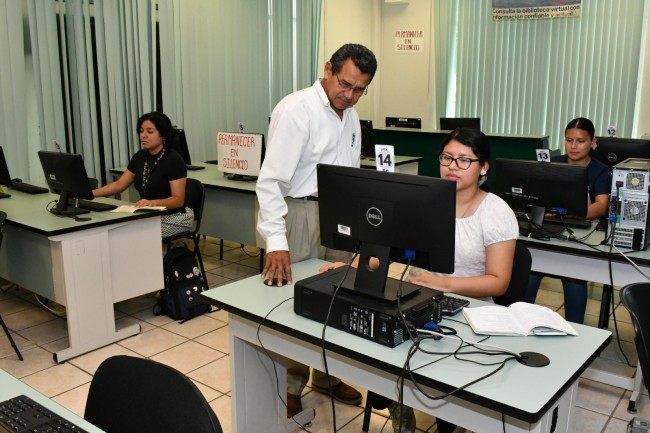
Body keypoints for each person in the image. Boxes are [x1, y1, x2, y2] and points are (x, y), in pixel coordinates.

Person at [321, 127, 519, 433]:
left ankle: (452, 420)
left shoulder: (496, 212)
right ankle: (399, 404)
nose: (453, 166)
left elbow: (498, 282)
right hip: (415, 298)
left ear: (484, 167)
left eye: (464, 160)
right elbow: (382, 248)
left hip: (468, 309)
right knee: (372, 338)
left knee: (444, 375)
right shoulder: (417, 199)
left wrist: (445, 284)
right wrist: (349, 267)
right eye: (447, 157)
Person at [255, 43, 378, 418]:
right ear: (328, 69)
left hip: (337, 217)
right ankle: (291, 384)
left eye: (360, 90)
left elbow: (349, 174)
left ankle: (326, 376)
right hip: (299, 214)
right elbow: (270, 182)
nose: (350, 95)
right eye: (345, 84)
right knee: (295, 304)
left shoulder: (350, 116)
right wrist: (276, 242)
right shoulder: (296, 110)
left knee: (338, 298)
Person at [525, 117, 611, 324]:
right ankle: (520, 321)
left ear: (593, 142)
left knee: (574, 277)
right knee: (529, 270)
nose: (574, 146)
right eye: (569, 140)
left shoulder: (601, 171)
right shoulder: (553, 165)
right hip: (548, 228)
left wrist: (571, 214)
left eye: (580, 141)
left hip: (582, 232)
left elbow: (601, 206)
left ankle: (575, 329)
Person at [93, 112, 193, 238]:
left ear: (163, 135)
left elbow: (178, 200)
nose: (143, 135)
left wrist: (153, 203)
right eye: (141, 131)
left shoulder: (174, 160)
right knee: (117, 230)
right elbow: (119, 185)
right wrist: (91, 193)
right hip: (148, 214)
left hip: (175, 217)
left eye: (150, 132)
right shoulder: (140, 156)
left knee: (135, 234)